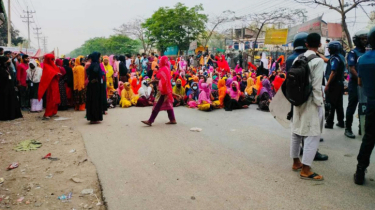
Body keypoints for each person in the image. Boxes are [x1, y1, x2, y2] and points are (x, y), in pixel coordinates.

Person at [290, 33, 325, 181]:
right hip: (310, 101)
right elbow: (317, 86)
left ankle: (296, 162)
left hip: (297, 100)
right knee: (313, 133)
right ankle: (306, 169)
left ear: (306, 44)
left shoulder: (298, 58)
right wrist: (319, 104)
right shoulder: (318, 60)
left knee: (296, 131)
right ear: (320, 45)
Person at [354, 26, 375, 185]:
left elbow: (360, 82)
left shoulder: (363, 59)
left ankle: (360, 170)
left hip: (371, 104)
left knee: (368, 138)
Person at [345, 29, 369, 139]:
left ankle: (361, 127)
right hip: (355, 84)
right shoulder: (353, 53)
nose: (365, 41)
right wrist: (361, 78)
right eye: (363, 39)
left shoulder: (368, 52)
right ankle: (348, 128)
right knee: (352, 106)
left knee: (364, 106)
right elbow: (352, 68)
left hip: (366, 85)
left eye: (366, 39)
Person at [142, 56, 176, 126]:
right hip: (167, 89)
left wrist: (155, 81)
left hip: (164, 89)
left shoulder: (163, 69)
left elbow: (163, 80)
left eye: (160, 61)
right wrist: (154, 81)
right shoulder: (167, 68)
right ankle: (172, 119)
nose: (159, 62)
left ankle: (150, 120)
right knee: (168, 104)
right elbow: (164, 80)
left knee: (157, 105)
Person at [324, 41, 345, 129]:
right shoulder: (341, 57)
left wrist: (327, 85)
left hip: (333, 84)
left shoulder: (334, 58)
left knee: (330, 103)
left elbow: (333, 72)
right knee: (339, 103)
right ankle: (341, 121)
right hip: (340, 84)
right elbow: (327, 60)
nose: (328, 50)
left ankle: (329, 123)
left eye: (329, 48)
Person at [38, 54, 61, 120]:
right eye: (52, 59)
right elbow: (49, 73)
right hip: (50, 84)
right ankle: (47, 113)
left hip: (55, 83)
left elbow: (55, 71)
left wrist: (57, 73)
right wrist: (56, 73)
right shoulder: (46, 66)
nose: (53, 61)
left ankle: (54, 112)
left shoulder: (53, 66)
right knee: (51, 98)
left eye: (53, 59)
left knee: (56, 98)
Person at [0, 56, 23, 121]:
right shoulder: (1, 70)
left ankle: (12, 115)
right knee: (4, 102)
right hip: (3, 89)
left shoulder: (8, 68)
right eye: (7, 61)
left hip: (10, 88)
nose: (9, 61)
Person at [86, 52, 104, 124]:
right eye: (99, 57)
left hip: (91, 84)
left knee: (92, 100)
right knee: (95, 101)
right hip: (95, 85)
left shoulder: (91, 65)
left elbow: (88, 72)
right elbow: (96, 71)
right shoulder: (96, 65)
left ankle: (92, 118)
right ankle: (94, 118)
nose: (100, 59)